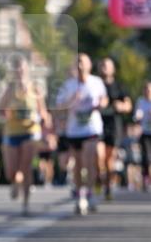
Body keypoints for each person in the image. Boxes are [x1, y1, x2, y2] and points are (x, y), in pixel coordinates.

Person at [55, 53, 108, 215]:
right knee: (78, 165)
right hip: (74, 130)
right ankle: (80, 195)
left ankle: (90, 192)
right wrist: (71, 100)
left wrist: (101, 104)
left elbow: (104, 99)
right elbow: (59, 106)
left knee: (89, 160)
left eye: (82, 62)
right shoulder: (68, 85)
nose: (80, 65)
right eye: (77, 62)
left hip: (92, 128)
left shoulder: (96, 82)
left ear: (89, 65)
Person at [0, 55, 48, 215]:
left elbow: (43, 113)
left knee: (25, 168)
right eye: (17, 68)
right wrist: (6, 115)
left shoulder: (35, 88)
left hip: (31, 131)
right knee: (11, 171)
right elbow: (0, 110)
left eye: (22, 68)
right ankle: (15, 182)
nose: (20, 71)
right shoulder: (9, 88)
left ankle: (26, 203)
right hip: (12, 131)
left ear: (27, 69)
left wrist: (39, 118)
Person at [97, 57, 132, 200]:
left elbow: (129, 105)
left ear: (113, 69)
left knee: (109, 159)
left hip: (114, 125)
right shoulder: (95, 84)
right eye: (102, 65)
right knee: (99, 157)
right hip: (97, 125)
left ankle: (108, 186)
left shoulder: (119, 86)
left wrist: (121, 106)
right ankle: (99, 180)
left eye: (107, 65)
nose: (105, 67)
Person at [133, 80, 151, 191]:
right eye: (146, 89)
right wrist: (139, 117)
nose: (148, 92)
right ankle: (145, 178)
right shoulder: (140, 101)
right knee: (146, 157)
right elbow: (137, 115)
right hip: (144, 132)